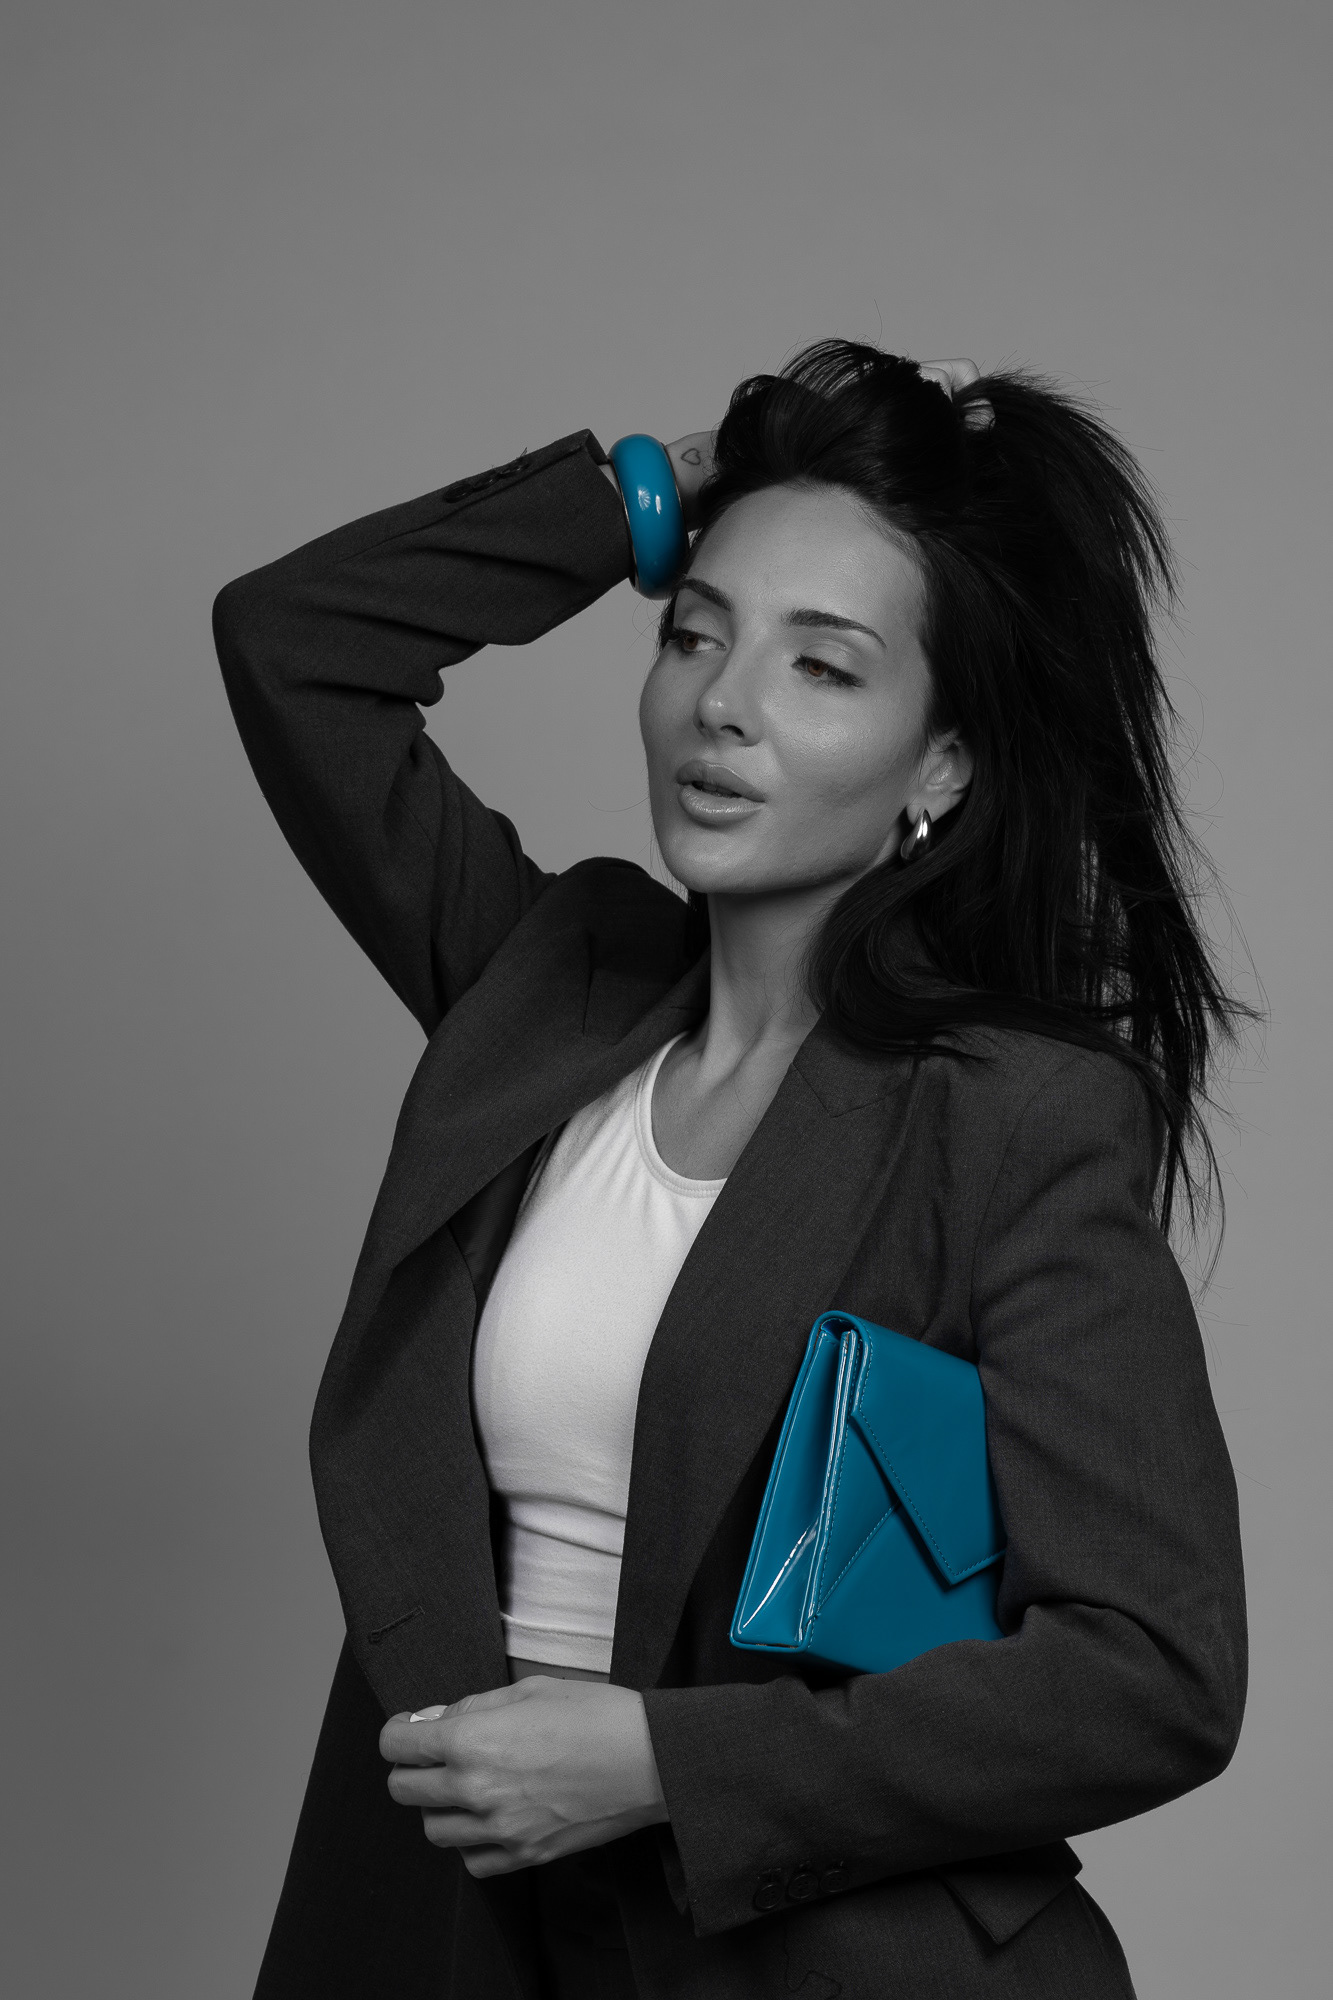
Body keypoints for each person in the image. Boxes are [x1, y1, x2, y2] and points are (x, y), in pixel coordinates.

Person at [213, 341, 1247, 2000]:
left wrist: (661, 1766)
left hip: (814, 1955)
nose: (723, 703)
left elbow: (1149, 1672)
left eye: (821, 666)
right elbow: (295, 645)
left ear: (940, 766)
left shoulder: (1008, 1119)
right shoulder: (548, 994)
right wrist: (654, 493)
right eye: (696, 633)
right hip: (462, 1926)